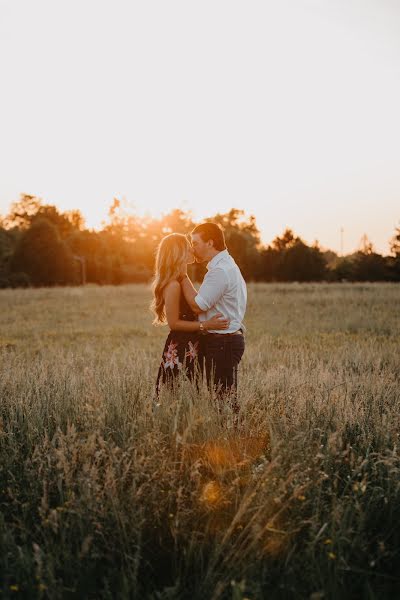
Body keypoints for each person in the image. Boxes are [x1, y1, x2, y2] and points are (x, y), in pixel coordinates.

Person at [179, 222, 247, 413]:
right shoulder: (226, 266)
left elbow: (197, 305)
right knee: (221, 397)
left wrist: (182, 275)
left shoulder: (220, 271)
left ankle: (233, 437)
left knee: (223, 400)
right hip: (224, 340)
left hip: (222, 342)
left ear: (210, 243)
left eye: (195, 242)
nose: (193, 248)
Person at [151, 233, 230, 396]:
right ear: (178, 253)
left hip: (192, 344)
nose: (192, 250)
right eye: (188, 247)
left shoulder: (181, 280)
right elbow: (174, 323)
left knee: (193, 394)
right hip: (181, 346)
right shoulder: (173, 285)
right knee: (177, 396)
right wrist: (206, 325)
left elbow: (199, 306)